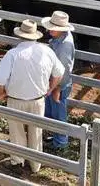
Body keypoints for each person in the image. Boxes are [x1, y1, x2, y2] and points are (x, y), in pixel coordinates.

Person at [0, 19, 64, 174]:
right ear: (36, 35)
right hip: (38, 100)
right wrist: (50, 89)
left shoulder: (13, 54)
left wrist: (2, 94)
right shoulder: (47, 51)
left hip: (16, 99)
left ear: (20, 36)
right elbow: (59, 73)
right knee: (36, 131)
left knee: (16, 131)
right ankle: (35, 163)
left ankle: (17, 162)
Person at [41, 11, 75, 151]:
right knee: (53, 111)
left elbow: (64, 70)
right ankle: (57, 138)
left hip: (59, 84)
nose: (49, 30)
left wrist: (57, 88)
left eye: (52, 28)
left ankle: (61, 143)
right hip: (54, 82)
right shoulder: (60, 39)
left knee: (58, 114)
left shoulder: (64, 46)